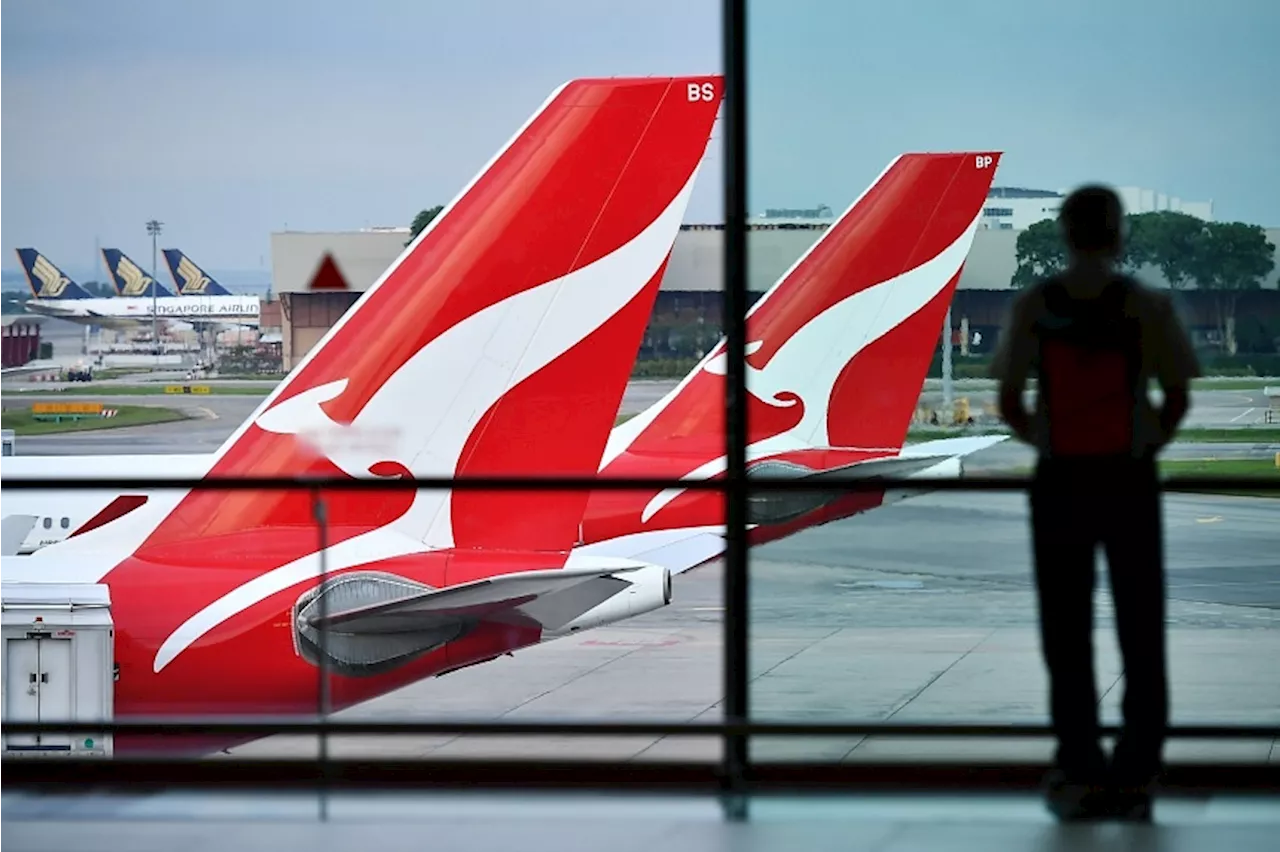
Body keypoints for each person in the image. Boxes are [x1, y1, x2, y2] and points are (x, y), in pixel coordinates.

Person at [989, 185, 1200, 822]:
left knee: (1066, 636)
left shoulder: (1036, 305)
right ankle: (1135, 772)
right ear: (1118, 235)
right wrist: (1146, 442)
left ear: (1065, 232)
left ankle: (1080, 769)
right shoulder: (1145, 305)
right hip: (1127, 481)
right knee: (1142, 632)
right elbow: (1178, 395)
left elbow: (1008, 400)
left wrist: (1048, 441)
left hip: (1061, 484)